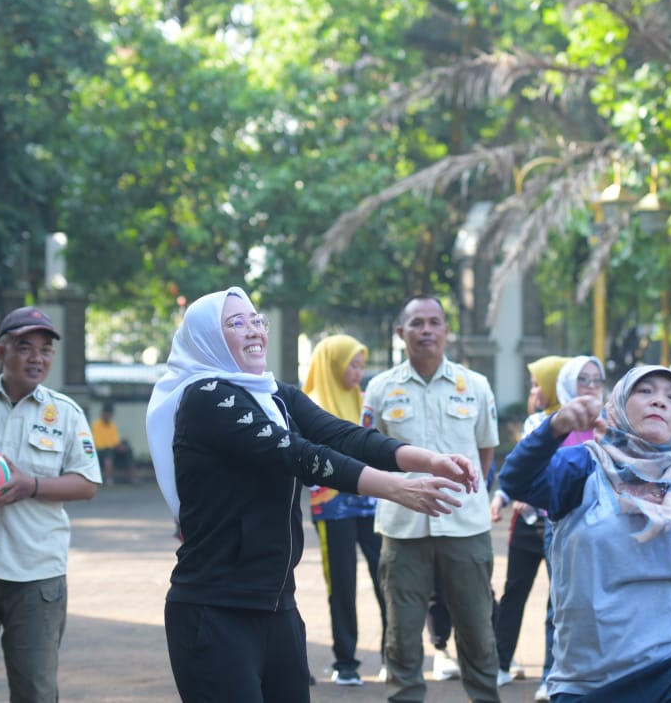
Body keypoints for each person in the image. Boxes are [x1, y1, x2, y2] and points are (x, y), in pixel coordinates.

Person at [146, 287, 477, 703]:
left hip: (277, 605)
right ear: (206, 339)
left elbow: (342, 434)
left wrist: (427, 459)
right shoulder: (205, 398)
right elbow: (299, 455)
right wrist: (397, 488)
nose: (253, 330)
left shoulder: (273, 394)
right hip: (214, 609)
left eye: (256, 320)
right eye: (235, 323)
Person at [499, 364, 671, 701]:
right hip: (591, 677)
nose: (659, 401)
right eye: (645, 391)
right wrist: (555, 428)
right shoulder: (583, 466)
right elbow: (517, 480)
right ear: (616, 405)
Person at [0, 306, 101, 703]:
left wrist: (31, 485)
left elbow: (87, 483)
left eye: (45, 350)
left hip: (36, 577)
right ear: (1, 352)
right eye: (24, 347)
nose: (37, 358)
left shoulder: (66, 415)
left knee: (35, 692)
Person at [361, 295, 501, 703]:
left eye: (434, 322)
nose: (426, 330)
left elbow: (484, 452)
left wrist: (471, 493)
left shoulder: (475, 386)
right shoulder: (380, 388)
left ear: (445, 331)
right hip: (403, 527)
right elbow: (368, 451)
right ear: (400, 332)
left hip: (465, 525)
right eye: (417, 323)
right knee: (402, 632)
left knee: (476, 628)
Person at [302, 334, 386, 686]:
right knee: (341, 584)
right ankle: (346, 662)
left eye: (362, 365)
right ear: (334, 363)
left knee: (387, 580)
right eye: (353, 364)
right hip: (331, 508)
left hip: (370, 504)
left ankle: (393, 657)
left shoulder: (363, 401)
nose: (359, 372)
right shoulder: (309, 405)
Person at [490, 355, 567, 687]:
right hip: (525, 522)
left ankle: (552, 673)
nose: (533, 390)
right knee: (513, 594)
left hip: (558, 523)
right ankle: (500, 663)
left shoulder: (576, 426)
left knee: (558, 602)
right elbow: (519, 471)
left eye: (539, 383)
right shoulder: (534, 423)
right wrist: (501, 498)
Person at [91, 401, 137, 485]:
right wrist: (113, 446)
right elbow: (98, 444)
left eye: (110, 414)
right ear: (103, 413)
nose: (109, 416)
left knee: (128, 449)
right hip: (100, 453)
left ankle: (132, 477)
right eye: (107, 414)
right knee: (108, 451)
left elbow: (115, 441)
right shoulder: (96, 425)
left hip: (112, 451)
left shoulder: (112, 425)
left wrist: (120, 447)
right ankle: (109, 479)